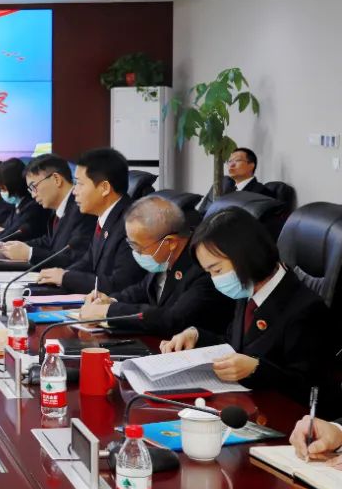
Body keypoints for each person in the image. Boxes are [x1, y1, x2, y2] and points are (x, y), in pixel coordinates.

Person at [160, 208, 331, 403]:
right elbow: (235, 345)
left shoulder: (306, 309)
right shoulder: (247, 290)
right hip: (243, 402)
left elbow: (312, 390)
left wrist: (257, 369)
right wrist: (196, 336)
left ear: (246, 256)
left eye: (217, 270)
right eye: (209, 272)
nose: (215, 279)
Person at [78, 196, 230, 337]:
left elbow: (172, 319)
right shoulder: (163, 258)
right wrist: (109, 301)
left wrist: (108, 312)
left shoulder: (203, 267)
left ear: (170, 242)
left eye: (139, 247)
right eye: (131, 245)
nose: (135, 253)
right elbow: (141, 290)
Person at [36, 148, 147, 294]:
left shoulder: (130, 224)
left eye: (80, 184)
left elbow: (120, 284)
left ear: (105, 188)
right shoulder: (105, 217)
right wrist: (59, 275)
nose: (74, 191)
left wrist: (65, 278)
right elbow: (88, 262)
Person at [0, 153, 95, 267]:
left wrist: (30, 253)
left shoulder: (82, 209)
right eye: (30, 190)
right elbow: (49, 242)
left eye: (34, 187)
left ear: (56, 179)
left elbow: (75, 258)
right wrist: (18, 247)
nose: (33, 195)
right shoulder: (59, 210)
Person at [0, 158, 47, 242]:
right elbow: (6, 228)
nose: (1, 193)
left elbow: (9, 235)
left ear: (13, 185)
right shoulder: (18, 205)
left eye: (3, 189)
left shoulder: (32, 207)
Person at [197, 147, 271, 212]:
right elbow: (201, 212)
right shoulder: (223, 187)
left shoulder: (261, 192)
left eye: (237, 160)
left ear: (251, 165)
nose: (231, 165)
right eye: (230, 161)